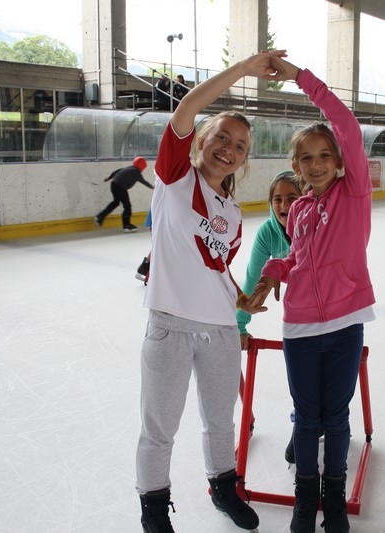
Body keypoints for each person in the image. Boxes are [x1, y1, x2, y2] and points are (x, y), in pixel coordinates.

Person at [135, 51, 285, 533]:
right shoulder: (175, 176)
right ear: (202, 138)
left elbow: (217, 267)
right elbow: (185, 108)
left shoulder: (235, 212)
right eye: (222, 136)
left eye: (240, 145)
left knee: (222, 421)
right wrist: (243, 70)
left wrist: (243, 299)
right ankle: (155, 510)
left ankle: (224, 488)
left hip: (221, 329)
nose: (229, 148)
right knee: (160, 430)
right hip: (171, 326)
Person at [247, 56, 376, 533]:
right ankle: (306, 502)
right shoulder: (298, 210)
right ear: (295, 166)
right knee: (305, 417)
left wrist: (300, 78)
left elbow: (344, 122)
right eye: (307, 158)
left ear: (340, 160)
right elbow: (297, 260)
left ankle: (334, 502)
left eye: (325, 156)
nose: (317, 164)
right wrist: (270, 272)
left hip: (344, 323)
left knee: (336, 418)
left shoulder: (354, 194)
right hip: (300, 326)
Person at [235, 170, 304, 464]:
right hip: (299, 303)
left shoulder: (316, 225)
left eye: (292, 198)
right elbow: (252, 278)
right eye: (277, 199)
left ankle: (318, 418)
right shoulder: (268, 232)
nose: (284, 205)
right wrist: (239, 324)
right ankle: (307, 419)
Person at [94, 156, 154, 232]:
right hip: (120, 187)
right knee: (127, 206)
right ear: (142, 166)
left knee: (115, 202)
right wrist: (153, 187)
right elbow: (143, 181)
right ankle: (127, 225)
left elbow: (116, 171)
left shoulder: (129, 168)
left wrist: (109, 178)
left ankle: (100, 217)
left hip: (114, 184)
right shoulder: (136, 172)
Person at [135, 208, 152, 284]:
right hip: (159, 219)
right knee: (161, 246)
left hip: (159, 218)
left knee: (161, 246)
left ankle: (145, 267)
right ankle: (146, 269)